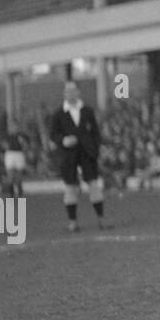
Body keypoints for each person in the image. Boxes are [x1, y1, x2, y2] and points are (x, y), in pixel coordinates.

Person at [48, 81, 110, 232]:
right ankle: (73, 222)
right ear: (64, 94)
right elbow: (53, 135)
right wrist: (63, 140)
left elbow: (95, 132)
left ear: (78, 92)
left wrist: (95, 148)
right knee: (70, 187)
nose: (70, 93)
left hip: (87, 154)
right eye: (67, 91)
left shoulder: (87, 111)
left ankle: (102, 219)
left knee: (93, 184)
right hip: (69, 156)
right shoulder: (59, 114)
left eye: (73, 90)